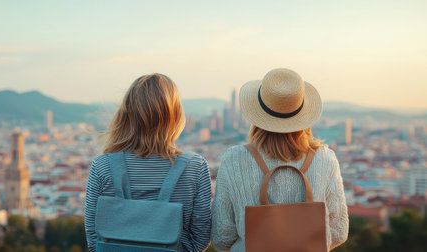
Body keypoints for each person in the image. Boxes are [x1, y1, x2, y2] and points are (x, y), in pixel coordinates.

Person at [211, 68, 348, 251]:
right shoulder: (326, 159)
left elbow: (222, 237)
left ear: (258, 114)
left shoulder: (234, 159)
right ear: (303, 115)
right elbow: (339, 232)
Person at [84, 73, 212, 252]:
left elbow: (93, 239)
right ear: (174, 115)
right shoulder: (194, 167)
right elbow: (200, 239)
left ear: (128, 114)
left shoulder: (102, 166)